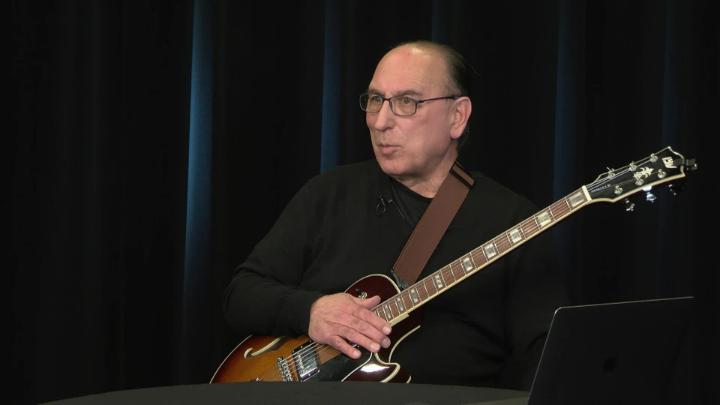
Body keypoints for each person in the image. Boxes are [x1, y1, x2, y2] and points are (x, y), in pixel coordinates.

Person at [223, 40, 567, 389]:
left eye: (407, 102)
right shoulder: (329, 193)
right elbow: (241, 295)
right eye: (376, 100)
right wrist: (311, 310)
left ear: (457, 117)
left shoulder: (513, 221)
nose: (380, 121)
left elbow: (546, 359)